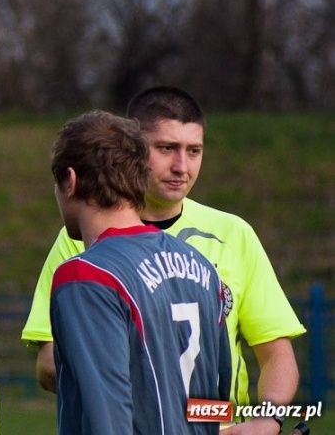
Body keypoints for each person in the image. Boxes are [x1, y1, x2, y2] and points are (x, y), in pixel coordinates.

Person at [23, 86, 306, 433]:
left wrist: (261, 421)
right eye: (167, 148)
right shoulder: (193, 263)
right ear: (134, 152)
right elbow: (51, 362)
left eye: (194, 150)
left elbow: (269, 356)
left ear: (69, 182)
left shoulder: (230, 235)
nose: (181, 166)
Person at [47, 110, 231, 434]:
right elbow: (216, 399)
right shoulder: (203, 269)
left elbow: (108, 415)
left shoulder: (87, 278)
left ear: (70, 181)